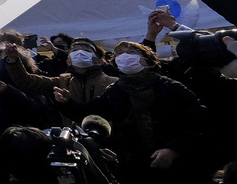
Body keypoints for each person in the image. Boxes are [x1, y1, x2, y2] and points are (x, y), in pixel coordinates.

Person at [54, 40, 211, 183]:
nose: (124, 57)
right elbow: (87, 113)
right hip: (134, 167)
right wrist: (66, 102)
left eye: (131, 53)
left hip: (178, 167)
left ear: (148, 61)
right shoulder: (116, 90)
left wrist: (174, 149)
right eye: (120, 54)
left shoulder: (170, 87)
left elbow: (199, 122)